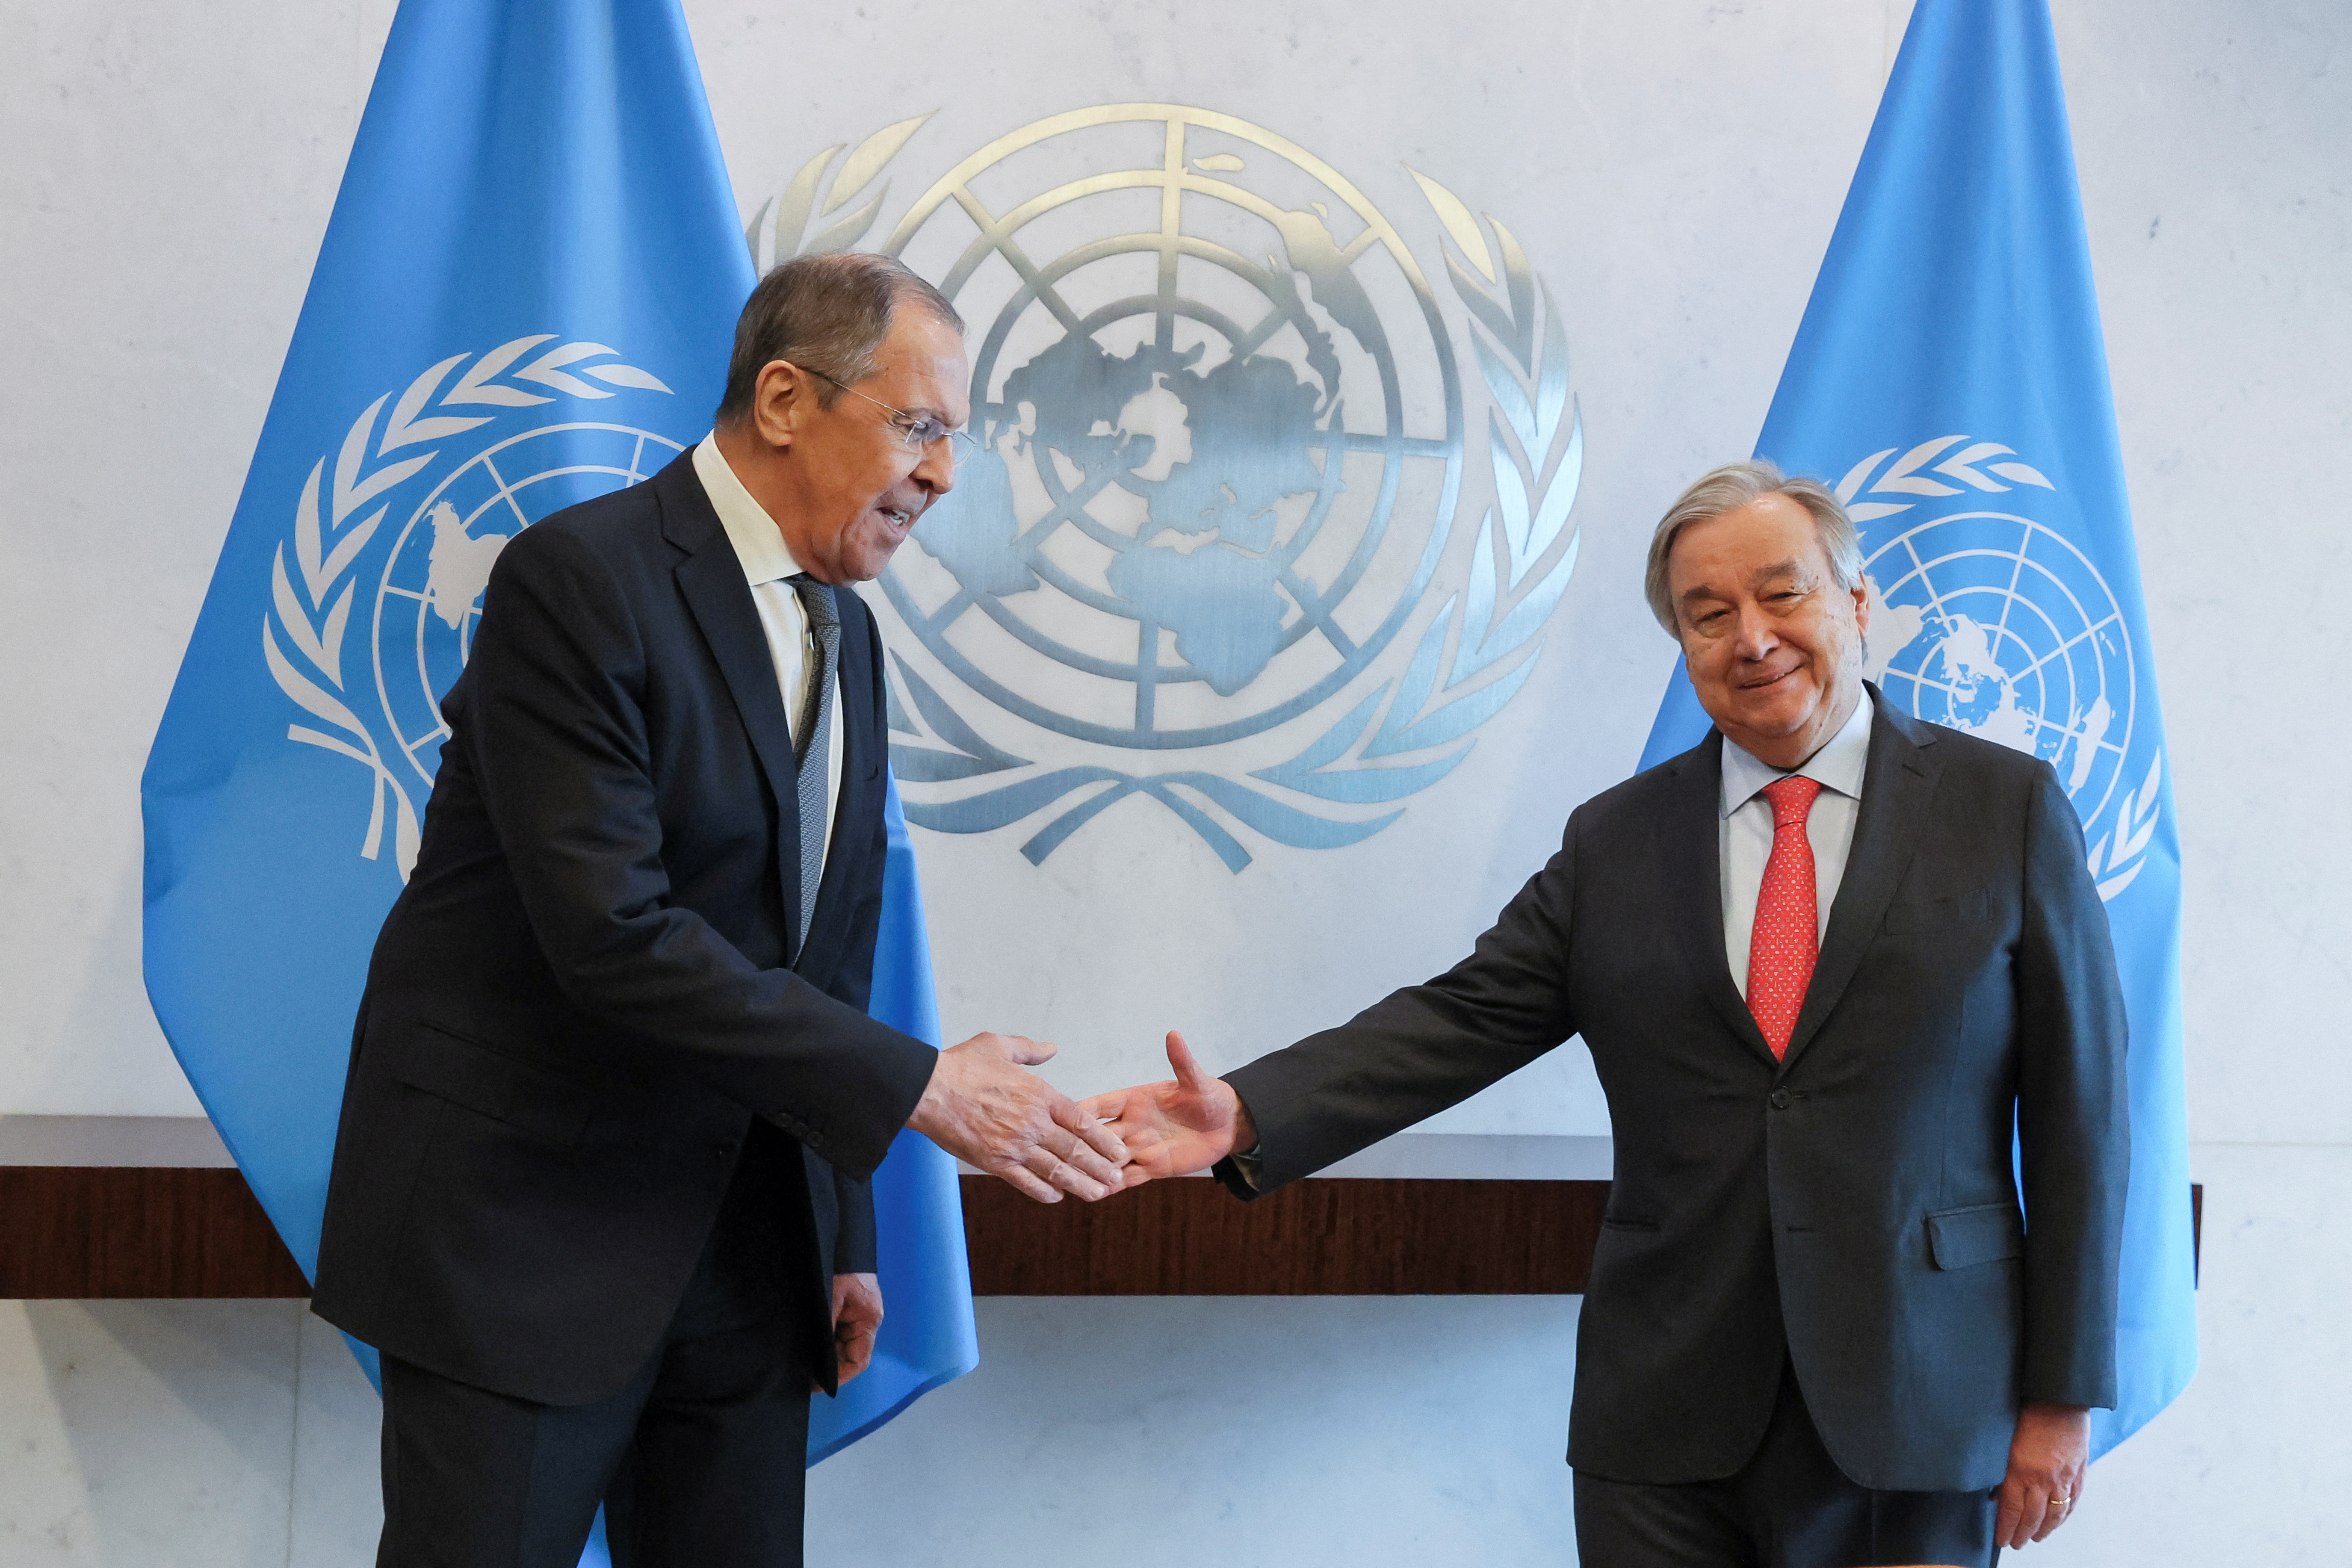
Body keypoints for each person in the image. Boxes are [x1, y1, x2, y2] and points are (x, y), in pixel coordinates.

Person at [1087, 461, 2130, 1567]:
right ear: (1681, 645)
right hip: (1667, 1415)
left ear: (1857, 606)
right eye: (1707, 612)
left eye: (1782, 595)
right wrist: (1246, 1113)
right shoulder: (1617, 840)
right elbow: (1462, 1017)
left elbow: (2085, 1122)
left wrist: (2061, 1398)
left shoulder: (2003, 810)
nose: (1751, 637)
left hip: (1917, 1403)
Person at [313, 251, 1129, 1568]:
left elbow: (827, 948)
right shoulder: (577, 581)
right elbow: (613, 936)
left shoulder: (845, 630)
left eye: (954, 439)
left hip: (746, 1260)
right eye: (919, 426)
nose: (942, 475)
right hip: (527, 1241)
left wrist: (839, 1227)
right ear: (788, 399)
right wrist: (926, 1089)